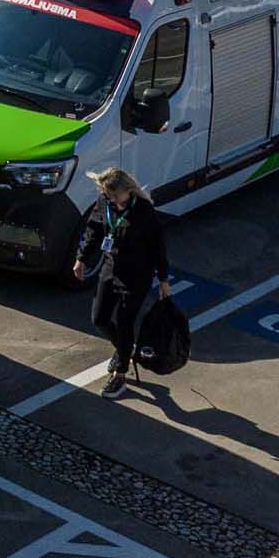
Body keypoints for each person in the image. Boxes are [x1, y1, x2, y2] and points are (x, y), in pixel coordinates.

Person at [73, 167, 172, 396]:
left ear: (127, 191)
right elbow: (93, 230)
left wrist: (164, 279)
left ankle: (120, 373)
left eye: (114, 196)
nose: (110, 199)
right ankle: (124, 349)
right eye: (107, 195)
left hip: (136, 276)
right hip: (111, 269)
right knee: (99, 318)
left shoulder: (144, 211)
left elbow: (158, 247)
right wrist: (81, 258)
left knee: (125, 321)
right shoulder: (104, 203)